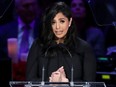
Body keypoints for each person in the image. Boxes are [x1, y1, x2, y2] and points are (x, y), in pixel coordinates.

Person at [26, 1, 96, 82]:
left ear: (69, 22)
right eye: (53, 22)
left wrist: (66, 83)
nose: (57, 27)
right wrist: (50, 82)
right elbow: (30, 80)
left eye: (62, 21)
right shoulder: (38, 45)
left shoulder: (84, 48)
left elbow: (89, 83)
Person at [0, 0, 42, 80]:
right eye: (26, 6)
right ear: (17, 8)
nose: (31, 9)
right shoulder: (3, 32)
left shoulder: (45, 30)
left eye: (33, 5)